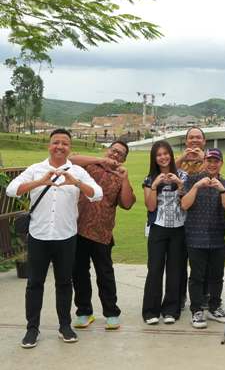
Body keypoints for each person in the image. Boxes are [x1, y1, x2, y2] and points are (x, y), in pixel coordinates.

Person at [6, 128, 103, 349]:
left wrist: (76, 183)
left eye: (65, 143)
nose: (60, 146)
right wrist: (40, 181)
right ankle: (32, 329)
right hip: (39, 236)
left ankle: (64, 326)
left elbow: (97, 194)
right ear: (49, 145)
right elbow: (12, 190)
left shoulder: (77, 171)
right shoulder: (35, 169)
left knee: (64, 283)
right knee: (34, 284)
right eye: (56, 142)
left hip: (65, 236)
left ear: (70, 147)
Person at [70, 140, 136, 331]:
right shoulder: (89, 165)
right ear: (108, 151)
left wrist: (124, 178)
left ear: (124, 159)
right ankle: (84, 311)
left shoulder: (119, 176)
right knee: (79, 272)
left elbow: (127, 203)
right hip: (77, 228)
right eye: (114, 150)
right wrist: (101, 160)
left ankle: (111, 313)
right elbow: (71, 159)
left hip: (102, 232)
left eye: (120, 154)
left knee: (105, 274)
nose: (115, 155)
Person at [181, 148, 225, 329]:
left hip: (217, 238)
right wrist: (196, 187)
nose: (212, 164)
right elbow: (184, 204)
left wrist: (222, 190)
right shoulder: (192, 179)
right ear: (204, 161)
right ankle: (197, 310)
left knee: (216, 276)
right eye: (209, 160)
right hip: (195, 236)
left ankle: (214, 306)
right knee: (197, 276)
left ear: (221, 163)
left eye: (216, 161)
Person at [141, 141, 187, 325]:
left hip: (179, 227)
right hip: (158, 228)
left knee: (175, 269)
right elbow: (151, 206)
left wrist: (180, 185)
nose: (163, 157)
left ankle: (171, 310)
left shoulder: (183, 175)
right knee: (155, 269)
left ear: (171, 155)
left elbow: (187, 203)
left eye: (166, 153)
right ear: (154, 158)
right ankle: (150, 311)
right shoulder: (149, 178)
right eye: (159, 154)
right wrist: (154, 186)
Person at [175, 126, 207, 309]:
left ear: (204, 142)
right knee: (178, 263)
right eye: (191, 138)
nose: (194, 141)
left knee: (201, 265)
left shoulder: (209, 158)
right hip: (179, 219)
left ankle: (202, 297)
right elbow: (165, 171)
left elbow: (215, 174)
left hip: (202, 218)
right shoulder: (180, 160)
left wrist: (203, 158)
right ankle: (178, 298)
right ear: (186, 141)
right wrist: (182, 158)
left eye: (198, 138)